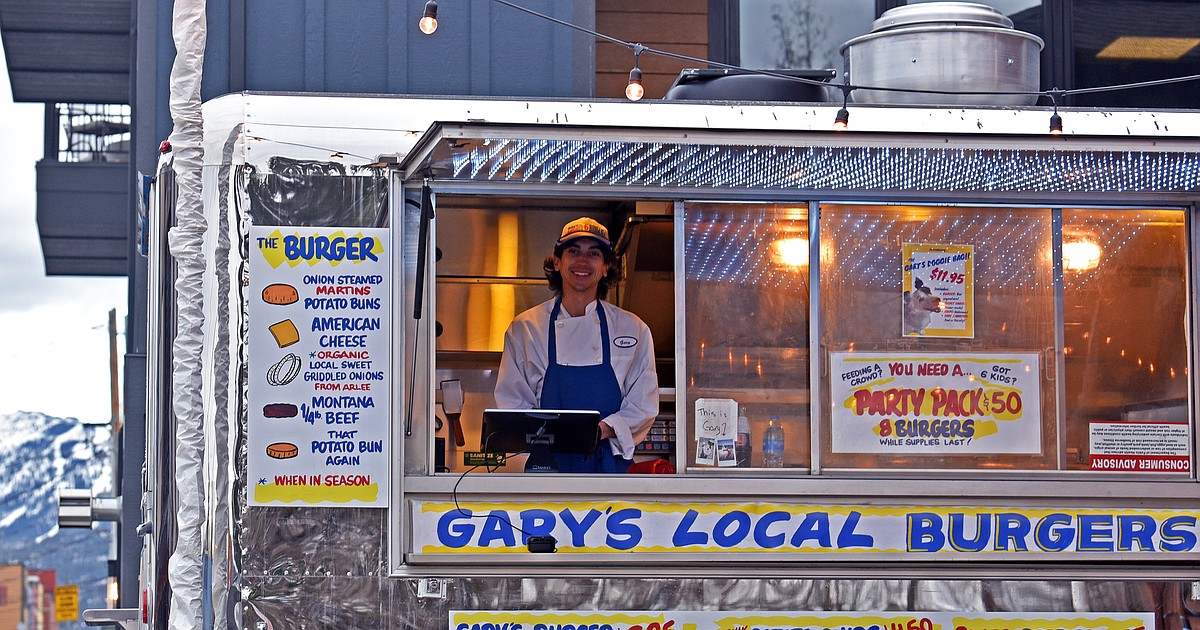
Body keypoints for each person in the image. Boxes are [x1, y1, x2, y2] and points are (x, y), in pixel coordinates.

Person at [495, 217, 659, 473]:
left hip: (610, 468)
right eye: (573, 251)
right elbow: (511, 405)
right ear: (557, 261)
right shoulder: (525, 329)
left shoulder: (633, 329)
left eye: (594, 253)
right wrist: (556, 432)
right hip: (546, 468)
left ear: (606, 267)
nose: (582, 261)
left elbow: (643, 405)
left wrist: (599, 431)